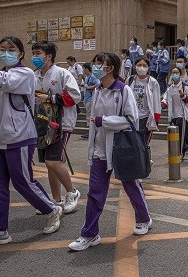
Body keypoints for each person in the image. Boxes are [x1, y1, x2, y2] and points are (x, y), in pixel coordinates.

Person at [68, 52, 152, 251]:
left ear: (110, 68)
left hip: (120, 148)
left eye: (100, 64)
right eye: (95, 63)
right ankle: (89, 234)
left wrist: (103, 122)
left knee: (131, 185)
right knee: (95, 192)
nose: (96, 67)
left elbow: (131, 119)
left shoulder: (123, 91)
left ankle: (144, 218)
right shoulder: (97, 90)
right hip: (99, 149)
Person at [0, 37, 63, 248]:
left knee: (22, 181)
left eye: (11, 50)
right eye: (1, 49)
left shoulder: (24, 74)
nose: (5, 53)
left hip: (18, 137)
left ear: (21, 54)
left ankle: (51, 208)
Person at [31, 41, 81, 214]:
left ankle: (72, 192)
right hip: (42, 125)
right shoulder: (34, 75)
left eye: (38, 53)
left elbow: (75, 96)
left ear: (48, 56)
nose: (35, 57)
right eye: (33, 53)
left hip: (61, 124)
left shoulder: (62, 73)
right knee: (48, 164)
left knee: (54, 161)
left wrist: (51, 98)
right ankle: (56, 200)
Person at [126, 57, 161, 147]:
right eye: (139, 65)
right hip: (132, 117)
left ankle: (144, 159)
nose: (141, 67)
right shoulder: (129, 80)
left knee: (143, 142)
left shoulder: (153, 82)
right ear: (135, 67)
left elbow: (156, 101)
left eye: (144, 65)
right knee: (132, 142)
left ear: (148, 67)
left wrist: (156, 119)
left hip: (145, 117)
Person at [162, 67, 188, 160]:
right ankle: (174, 152)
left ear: (179, 74)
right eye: (173, 73)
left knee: (181, 135)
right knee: (173, 135)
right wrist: (162, 104)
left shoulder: (184, 86)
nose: (174, 75)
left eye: (176, 73)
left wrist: (183, 95)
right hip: (173, 115)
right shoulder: (170, 88)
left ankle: (180, 153)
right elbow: (165, 99)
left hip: (182, 115)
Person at [80, 63, 100, 139]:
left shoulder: (92, 77)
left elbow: (98, 84)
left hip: (90, 99)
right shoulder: (87, 77)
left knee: (89, 116)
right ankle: (90, 131)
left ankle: (91, 132)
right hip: (86, 98)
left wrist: (89, 87)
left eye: (83, 68)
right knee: (88, 115)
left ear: (87, 69)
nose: (83, 70)